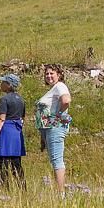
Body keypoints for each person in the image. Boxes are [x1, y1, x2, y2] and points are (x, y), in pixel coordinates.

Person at [35, 64, 71, 194]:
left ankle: (61, 193)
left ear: (59, 75)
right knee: (54, 159)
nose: (49, 76)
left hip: (55, 127)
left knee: (57, 160)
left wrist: (57, 115)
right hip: (49, 128)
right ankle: (59, 191)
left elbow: (66, 100)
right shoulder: (53, 89)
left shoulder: (60, 86)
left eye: (52, 73)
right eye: (47, 74)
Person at [0, 73, 26, 190]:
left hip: (5, 131)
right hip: (16, 132)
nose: (1, 84)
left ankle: (4, 190)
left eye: (3, 82)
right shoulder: (21, 99)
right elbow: (22, 118)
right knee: (16, 163)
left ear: (8, 85)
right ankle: (22, 189)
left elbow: (1, 118)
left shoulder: (4, 99)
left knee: (2, 163)